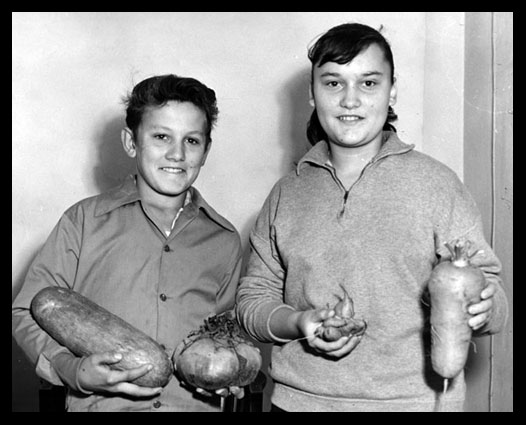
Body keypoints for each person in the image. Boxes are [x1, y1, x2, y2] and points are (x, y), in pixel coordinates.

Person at [236, 23, 509, 412]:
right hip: (298, 403)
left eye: (368, 83)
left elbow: (495, 301)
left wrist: (482, 307)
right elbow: (252, 301)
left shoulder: (437, 184)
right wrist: (300, 322)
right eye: (333, 83)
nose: (350, 100)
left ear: (392, 90)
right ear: (312, 94)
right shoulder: (286, 192)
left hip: (416, 404)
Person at [12, 74, 244, 411]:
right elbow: (26, 310)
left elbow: (226, 332)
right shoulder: (83, 222)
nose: (177, 153)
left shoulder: (224, 240)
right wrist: (73, 369)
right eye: (162, 136)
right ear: (131, 141)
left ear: (206, 150)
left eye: (192, 141)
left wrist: (229, 375)